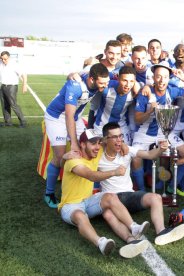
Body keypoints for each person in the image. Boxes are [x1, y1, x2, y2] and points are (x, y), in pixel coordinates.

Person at [58, 129, 150, 258]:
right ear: (83, 144)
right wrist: (114, 172)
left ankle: (134, 227)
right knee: (80, 216)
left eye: (98, 143)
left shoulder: (96, 151)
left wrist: (122, 144)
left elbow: (111, 140)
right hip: (70, 206)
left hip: (88, 201)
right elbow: (91, 176)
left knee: (110, 196)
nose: (97, 147)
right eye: (93, 143)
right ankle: (101, 243)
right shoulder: (74, 160)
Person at [98, 122, 184, 245]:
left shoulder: (127, 150)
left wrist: (160, 149)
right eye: (115, 137)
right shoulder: (97, 155)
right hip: (111, 199)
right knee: (108, 214)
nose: (119, 140)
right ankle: (130, 240)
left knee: (156, 197)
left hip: (128, 196)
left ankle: (161, 232)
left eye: (120, 136)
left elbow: (148, 154)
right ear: (105, 140)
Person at [43, 63, 110, 208]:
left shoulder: (91, 75)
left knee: (91, 145)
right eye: (101, 83)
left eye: (106, 83)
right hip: (57, 117)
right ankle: (49, 192)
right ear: (91, 80)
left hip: (75, 116)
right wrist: (73, 142)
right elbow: (68, 115)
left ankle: (92, 185)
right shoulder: (75, 86)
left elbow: (89, 64)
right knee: (60, 156)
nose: (104, 86)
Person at [132, 62, 184, 194]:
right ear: (153, 77)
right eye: (158, 76)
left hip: (164, 132)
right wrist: (150, 111)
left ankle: (172, 183)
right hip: (145, 133)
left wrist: (183, 77)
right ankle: (141, 191)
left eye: (165, 77)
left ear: (169, 78)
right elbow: (137, 118)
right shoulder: (145, 93)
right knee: (136, 159)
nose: (162, 80)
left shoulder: (171, 90)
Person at [92, 66, 136, 145]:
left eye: (131, 81)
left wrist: (146, 88)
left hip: (121, 126)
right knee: (99, 152)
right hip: (102, 125)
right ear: (118, 79)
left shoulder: (135, 91)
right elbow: (92, 76)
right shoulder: (107, 87)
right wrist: (74, 75)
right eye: (125, 80)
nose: (128, 84)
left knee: (125, 152)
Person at [0, 51, 27, 127]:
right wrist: (1, 57)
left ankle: (23, 122)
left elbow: (23, 74)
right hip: (3, 86)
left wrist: (24, 85)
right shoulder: (1, 62)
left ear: (9, 57)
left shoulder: (14, 64)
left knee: (13, 105)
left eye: (5, 59)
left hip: (12, 87)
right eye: (2, 59)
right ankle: (8, 122)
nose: (4, 61)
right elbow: (2, 58)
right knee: (4, 105)